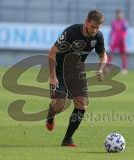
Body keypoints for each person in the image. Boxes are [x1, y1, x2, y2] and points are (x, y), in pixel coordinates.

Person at [46, 10, 107, 147]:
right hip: (60, 71)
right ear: (86, 22)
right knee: (58, 106)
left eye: (98, 28)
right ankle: (50, 115)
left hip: (77, 72)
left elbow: (103, 55)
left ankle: (67, 139)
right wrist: (52, 76)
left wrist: (100, 69)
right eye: (92, 27)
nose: (95, 30)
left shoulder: (98, 36)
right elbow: (52, 52)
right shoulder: (71, 32)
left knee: (82, 105)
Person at [108, 9, 128, 74]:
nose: (119, 15)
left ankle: (124, 68)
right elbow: (111, 32)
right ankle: (107, 67)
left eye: (120, 14)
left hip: (122, 40)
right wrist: (110, 40)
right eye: (117, 14)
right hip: (115, 40)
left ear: (121, 14)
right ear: (116, 15)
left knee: (123, 54)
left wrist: (123, 38)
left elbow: (125, 31)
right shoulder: (113, 22)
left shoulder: (124, 22)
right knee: (111, 54)